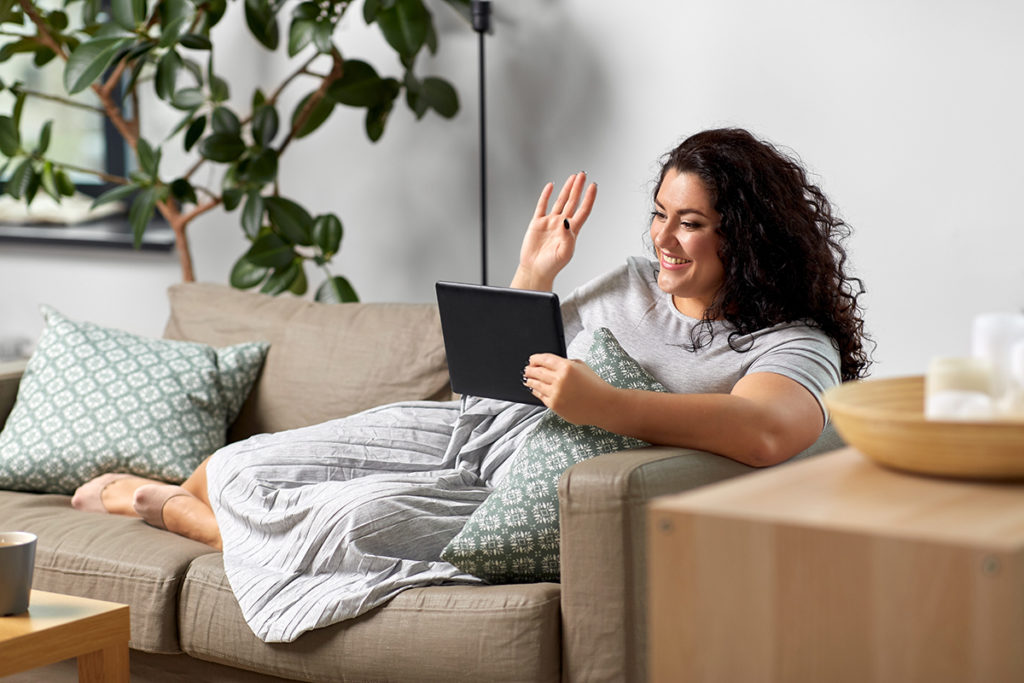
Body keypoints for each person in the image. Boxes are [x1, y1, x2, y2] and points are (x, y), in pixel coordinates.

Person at [71, 127, 870, 641]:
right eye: (660, 213)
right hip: (478, 434)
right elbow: (501, 370)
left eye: (690, 221)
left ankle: (173, 511)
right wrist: (534, 273)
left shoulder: (791, 341)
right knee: (247, 465)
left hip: (536, 480)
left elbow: (772, 430)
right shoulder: (630, 282)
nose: (663, 237)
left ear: (748, 234)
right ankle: (195, 502)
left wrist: (604, 405)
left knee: (354, 517)